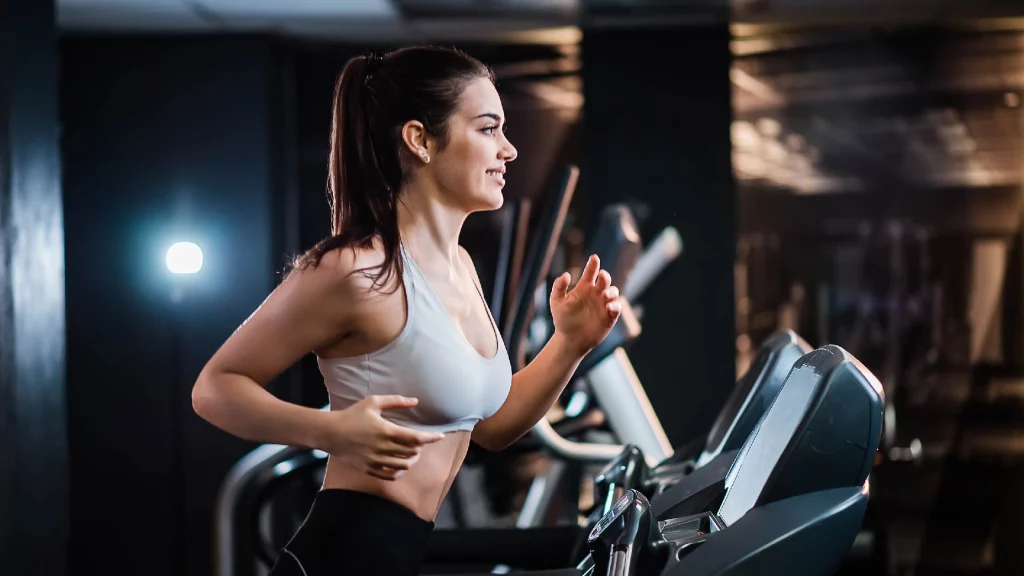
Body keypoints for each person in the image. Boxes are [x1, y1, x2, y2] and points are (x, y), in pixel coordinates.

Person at [191, 45, 621, 576]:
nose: (508, 150)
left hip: (404, 549)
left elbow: (491, 428)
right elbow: (215, 387)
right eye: (488, 129)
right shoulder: (355, 270)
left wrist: (571, 342)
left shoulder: (460, 265)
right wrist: (330, 431)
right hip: (344, 554)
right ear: (419, 140)